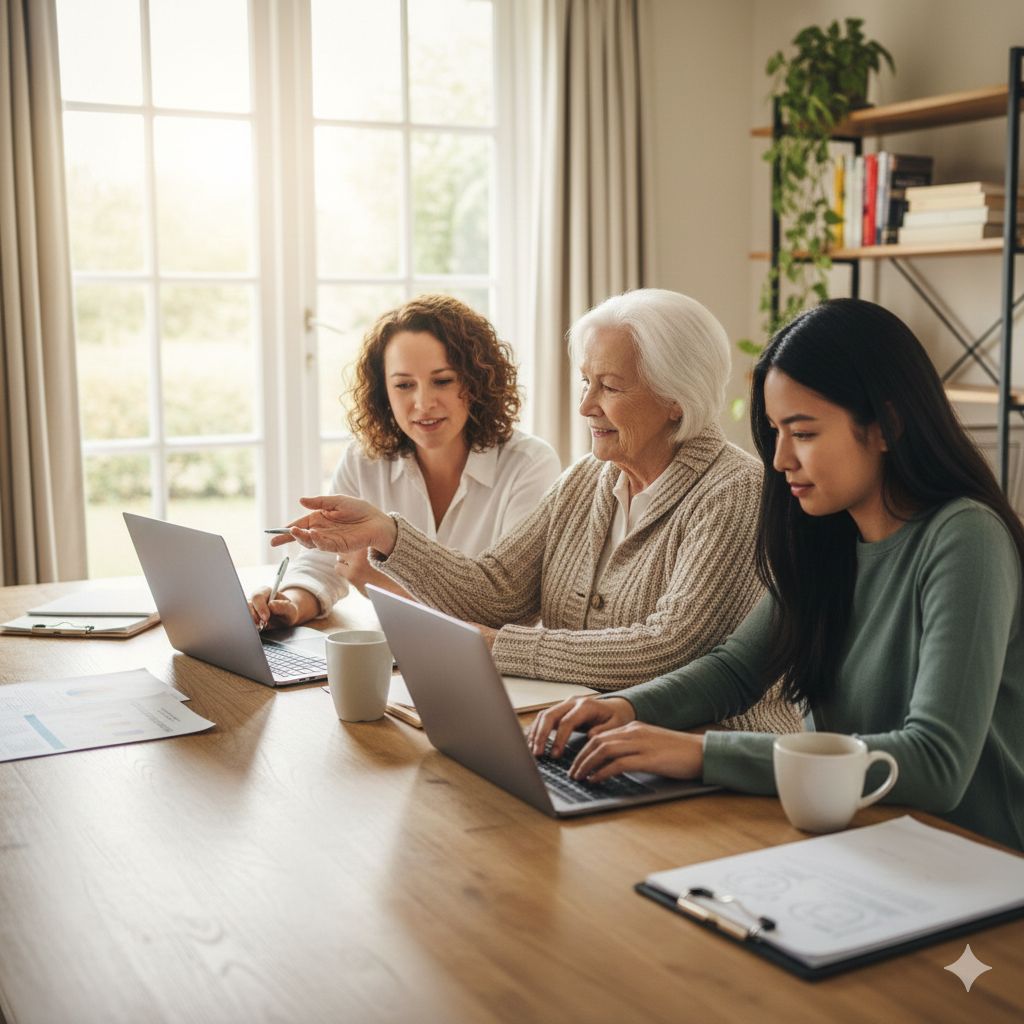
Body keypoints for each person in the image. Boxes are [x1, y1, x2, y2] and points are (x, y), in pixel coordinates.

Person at [528, 298, 1024, 850]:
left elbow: (935, 763)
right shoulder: (831, 532)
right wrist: (626, 706)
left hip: (976, 861)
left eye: (805, 433)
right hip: (857, 834)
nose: (781, 459)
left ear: (886, 425)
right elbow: (737, 669)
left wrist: (701, 754)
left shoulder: (965, 538)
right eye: (775, 432)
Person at [272, 288, 801, 735]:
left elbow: (667, 650)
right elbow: (497, 589)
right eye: (585, 382)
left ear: (677, 398)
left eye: (609, 387)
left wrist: (497, 647)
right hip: (588, 738)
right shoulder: (587, 480)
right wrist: (388, 534)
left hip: (710, 761)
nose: (585, 405)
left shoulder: (734, 491)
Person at [249, 294, 561, 628]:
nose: (423, 403)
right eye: (403, 385)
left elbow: (507, 614)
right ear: (384, 393)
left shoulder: (529, 466)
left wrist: (384, 582)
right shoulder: (363, 460)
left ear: (476, 382)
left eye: (442, 381)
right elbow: (324, 563)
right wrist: (290, 604)